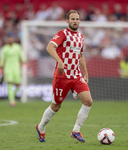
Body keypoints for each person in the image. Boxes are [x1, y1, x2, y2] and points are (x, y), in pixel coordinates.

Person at [35, 10, 93, 143]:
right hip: (62, 77)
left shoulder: (80, 37)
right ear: (67, 21)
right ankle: (41, 127)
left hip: (76, 75)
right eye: (72, 19)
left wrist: (86, 73)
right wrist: (60, 61)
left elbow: (81, 56)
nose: (75, 21)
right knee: (56, 106)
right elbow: (50, 47)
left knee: (88, 101)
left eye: (77, 19)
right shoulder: (62, 34)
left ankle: (76, 130)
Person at [0, 35, 25, 107]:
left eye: (11, 39)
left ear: (13, 40)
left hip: (16, 68)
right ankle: (12, 101)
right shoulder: (5, 49)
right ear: (7, 40)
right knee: (9, 83)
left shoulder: (17, 47)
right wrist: (0, 67)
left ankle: (12, 96)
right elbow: (2, 58)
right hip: (8, 68)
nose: (10, 40)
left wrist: (25, 63)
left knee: (18, 84)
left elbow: (21, 56)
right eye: (9, 39)